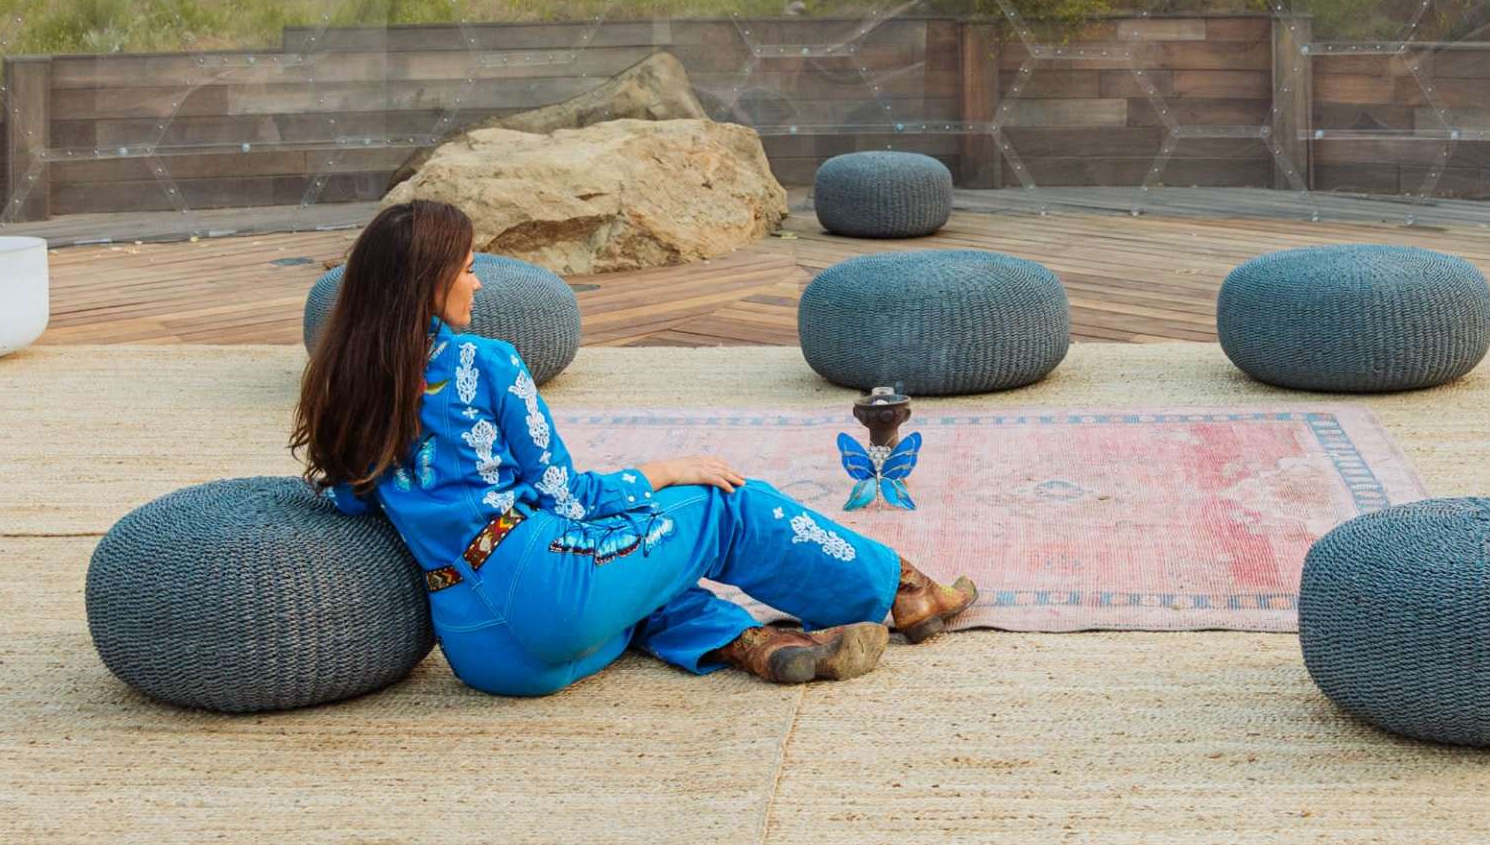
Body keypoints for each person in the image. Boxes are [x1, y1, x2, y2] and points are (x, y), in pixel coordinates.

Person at [295, 199, 982, 692]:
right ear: (428, 280)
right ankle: (903, 587)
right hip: (545, 591)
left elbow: (354, 505)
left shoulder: (350, 388)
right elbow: (567, 499)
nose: (477, 281)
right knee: (721, 508)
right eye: (469, 267)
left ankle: (756, 643)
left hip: (484, 654)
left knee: (643, 576)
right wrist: (664, 470)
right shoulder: (487, 362)